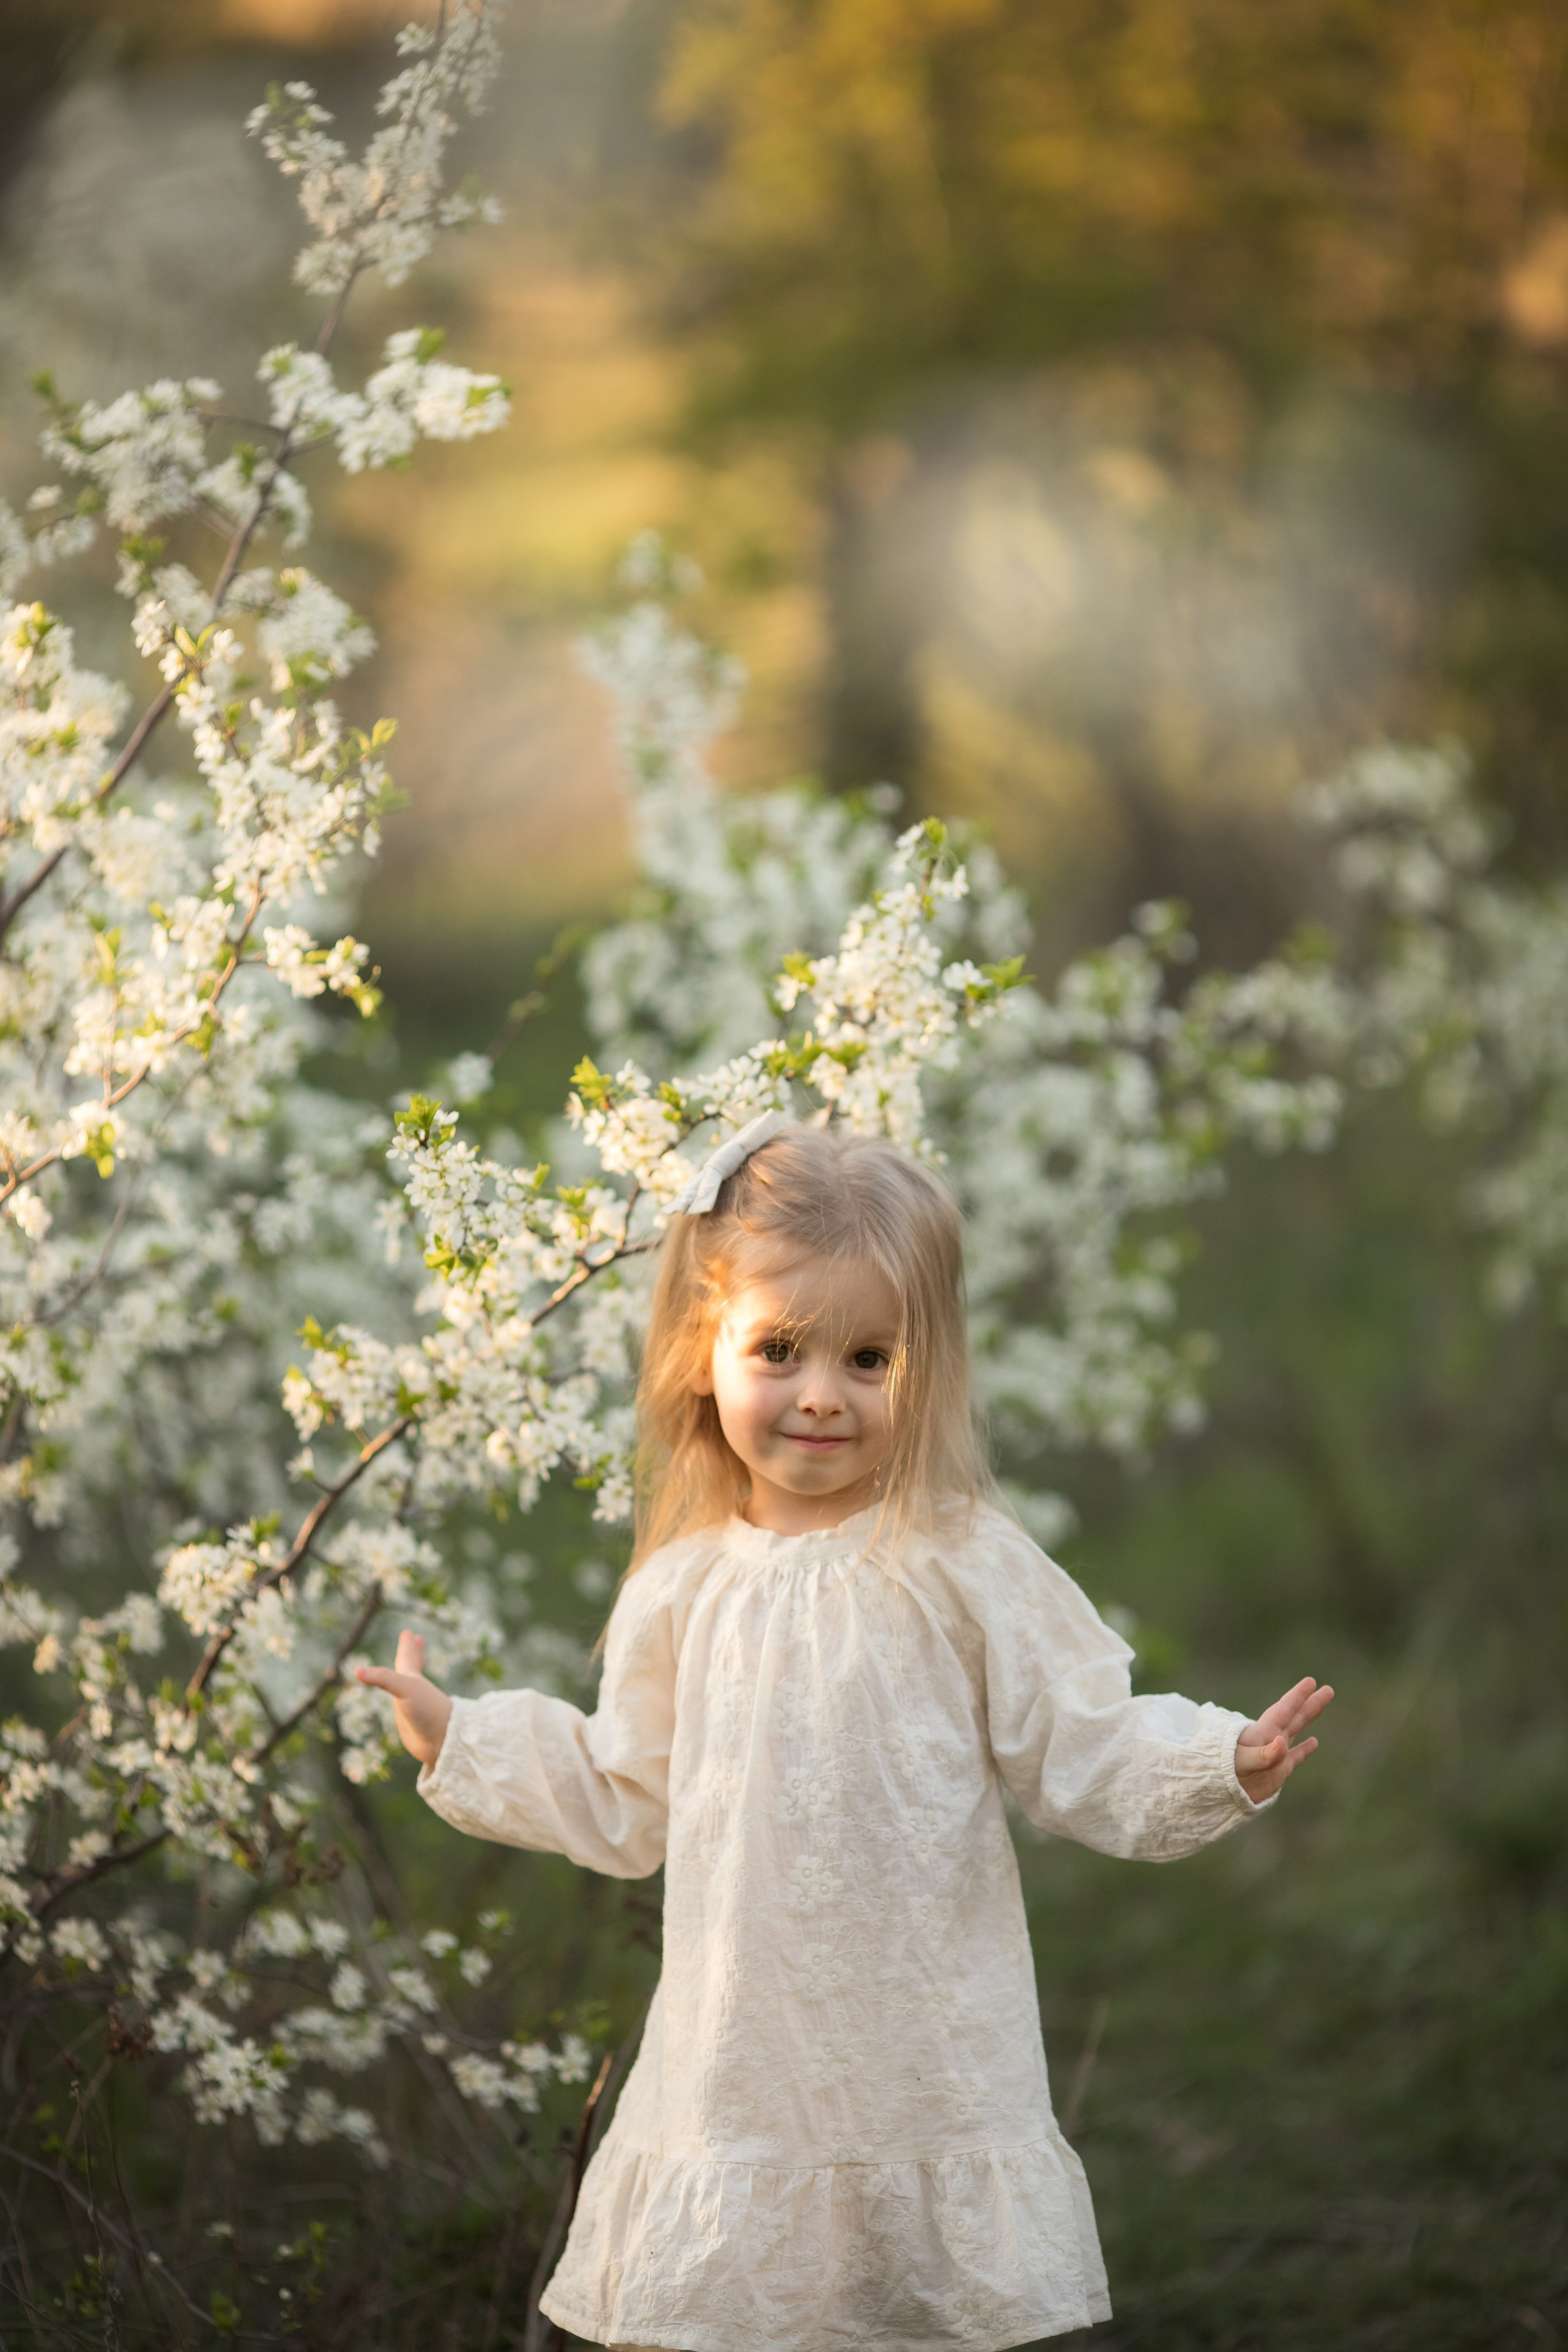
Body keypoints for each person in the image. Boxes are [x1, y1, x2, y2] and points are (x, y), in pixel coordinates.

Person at [358, 1120, 1332, 2352]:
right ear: (696, 1353)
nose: (822, 1392)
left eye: (868, 1358)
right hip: (741, 2057)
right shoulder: (683, 1587)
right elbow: (624, 1794)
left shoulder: (958, 1561)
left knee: (914, 2314)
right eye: (778, 1350)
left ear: (921, 1370)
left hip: (923, 2043)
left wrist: (1212, 1761)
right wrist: (464, 1740)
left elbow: (1071, 1743)